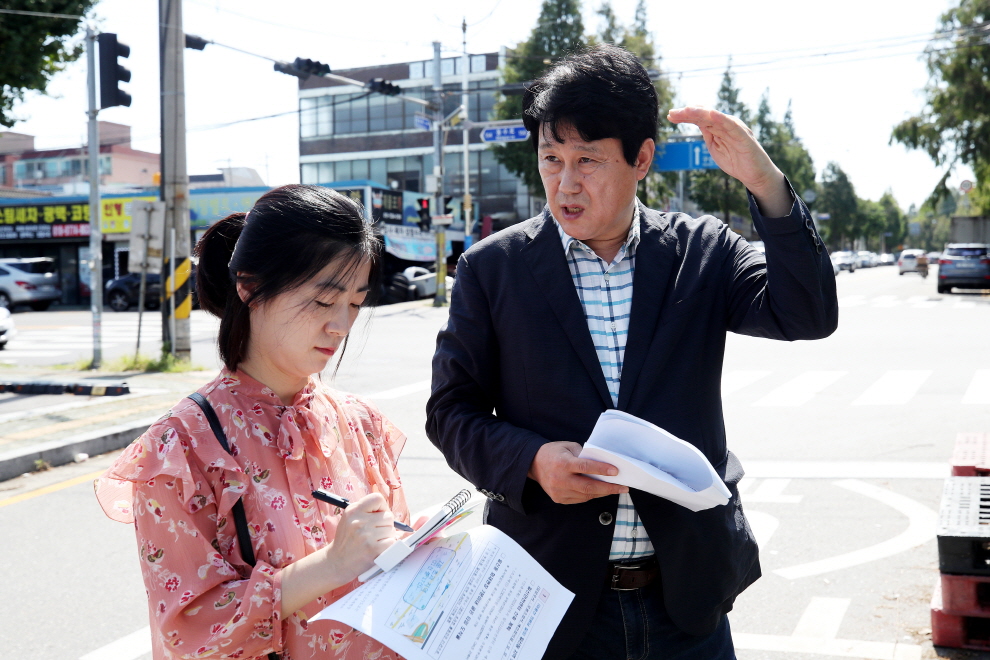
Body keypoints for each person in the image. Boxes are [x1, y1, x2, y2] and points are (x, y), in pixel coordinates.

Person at [426, 44, 838, 659]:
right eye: (551, 159)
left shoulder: (703, 252)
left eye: (587, 160)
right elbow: (450, 411)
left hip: (686, 605)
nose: (565, 183)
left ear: (641, 158)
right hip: (549, 606)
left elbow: (807, 314)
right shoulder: (494, 269)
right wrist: (533, 461)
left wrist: (765, 185)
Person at [96, 185, 410, 660]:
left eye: (355, 303)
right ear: (249, 286)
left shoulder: (361, 424)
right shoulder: (181, 448)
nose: (342, 325)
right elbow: (187, 631)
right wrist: (333, 563)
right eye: (324, 301)